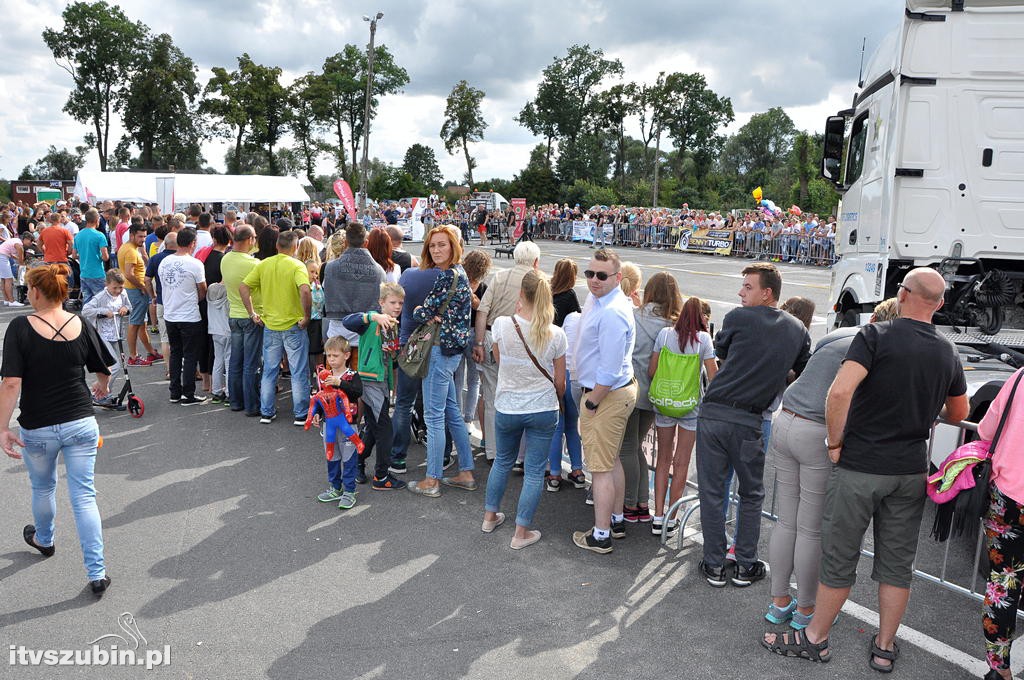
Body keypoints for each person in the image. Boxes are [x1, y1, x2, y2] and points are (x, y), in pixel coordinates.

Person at [763, 268, 969, 671]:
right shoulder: (947, 351)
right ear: (940, 304)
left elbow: (840, 392)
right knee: (896, 564)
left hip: (861, 464)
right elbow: (959, 412)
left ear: (902, 293)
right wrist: (923, 407)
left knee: (839, 555)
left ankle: (816, 637)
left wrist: (835, 444)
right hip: (909, 469)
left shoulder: (875, 336)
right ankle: (885, 646)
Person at [762, 298, 898, 632]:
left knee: (787, 521)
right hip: (816, 431)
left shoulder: (841, 334)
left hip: (786, 420)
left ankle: (779, 603)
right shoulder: (878, 345)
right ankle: (807, 609)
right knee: (810, 528)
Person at [0, 264, 114, 595]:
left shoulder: (21, 327)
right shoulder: (79, 322)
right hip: (80, 421)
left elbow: (11, 383)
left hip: (39, 426)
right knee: (84, 496)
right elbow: (102, 368)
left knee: (43, 488)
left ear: (35, 292)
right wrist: (101, 387)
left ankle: (45, 539)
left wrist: (3, 427)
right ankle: (97, 572)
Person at [697, 263, 811, 588]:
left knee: (713, 491)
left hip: (715, 414)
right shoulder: (797, 330)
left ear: (767, 292)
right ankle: (746, 564)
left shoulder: (736, 317)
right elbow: (802, 371)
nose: (740, 292)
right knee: (750, 493)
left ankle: (715, 564)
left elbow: (723, 357)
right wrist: (775, 375)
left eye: (747, 286)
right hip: (749, 419)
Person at [482, 270, 566, 549]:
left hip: (507, 404)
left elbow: (498, 359)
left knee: (503, 462)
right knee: (533, 471)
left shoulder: (503, 325)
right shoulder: (555, 334)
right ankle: (521, 533)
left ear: (521, 295)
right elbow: (560, 381)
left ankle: (490, 516)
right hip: (542, 407)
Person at [571, 248, 638, 554]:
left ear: (617, 277)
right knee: (610, 461)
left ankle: (601, 534)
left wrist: (591, 401)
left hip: (605, 394)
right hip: (612, 392)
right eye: (589, 274)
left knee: (599, 467)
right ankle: (617, 519)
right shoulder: (602, 300)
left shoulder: (611, 311)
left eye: (601, 275)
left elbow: (609, 370)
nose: (594, 280)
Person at [407, 226, 476, 497]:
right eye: (432, 245)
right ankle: (467, 472)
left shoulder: (447, 275)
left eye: (441, 245)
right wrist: (430, 312)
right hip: (452, 351)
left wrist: (418, 309)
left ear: (453, 247)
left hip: (438, 351)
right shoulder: (460, 273)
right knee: (451, 413)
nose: (436, 250)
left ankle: (432, 480)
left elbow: (424, 311)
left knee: (433, 417)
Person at [473, 241, 541, 463]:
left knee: (491, 394)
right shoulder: (538, 281)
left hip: (494, 335)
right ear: (536, 261)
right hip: (524, 340)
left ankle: (494, 451)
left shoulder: (500, 277)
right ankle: (520, 454)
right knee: (523, 396)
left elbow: (483, 310)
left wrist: (480, 341)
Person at [621, 271, 681, 525]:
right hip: (658, 393)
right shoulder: (674, 325)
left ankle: (629, 503)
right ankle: (643, 504)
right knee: (636, 447)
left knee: (626, 448)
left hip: (631, 387)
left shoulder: (633, 317)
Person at [240, 230, 312, 426]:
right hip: (293, 325)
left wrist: (252, 313)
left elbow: (244, 287)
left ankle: (266, 411)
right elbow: (305, 289)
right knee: (298, 371)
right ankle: (300, 413)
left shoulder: (264, 265)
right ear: (295, 247)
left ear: (277, 246)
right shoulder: (297, 265)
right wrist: (306, 316)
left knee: (269, 370)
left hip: (270, 324)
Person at [340, 282, 407, 491]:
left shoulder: (395, 324)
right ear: (381, 303)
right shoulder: (370, 321)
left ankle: (358, 463)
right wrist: (372, 316)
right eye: (393, 302)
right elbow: (347, 322)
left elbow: (391, 358)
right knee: (385, 430)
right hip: (369, 381)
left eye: (400, 303)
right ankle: (381, 475)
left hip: (382, 382)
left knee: (373, 427)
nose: (397, 306)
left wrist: (392, 383)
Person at [980, 364, 1024, 680]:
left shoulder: (1021, 375)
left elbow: (986, 429)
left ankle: (999, 671)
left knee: (1002, 583)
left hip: (1007, 494)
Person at [322, 224, 386, 372]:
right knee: (361, 383)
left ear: (346, 242)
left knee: (333, 383)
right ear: (366, 243)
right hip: (364, 332)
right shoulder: (378, 271)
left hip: (337, 330)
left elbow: (326, 292)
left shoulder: (330, 267)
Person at [310, 336, 364, 510]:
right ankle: (335, 487)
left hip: (349, 424)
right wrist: (317, 413)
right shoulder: (325, 376)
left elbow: (357, 393)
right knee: (332, 456)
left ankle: (349, 490)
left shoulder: (352, 376)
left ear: (346, 355)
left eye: (335, 356)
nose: (331, 360)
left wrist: (340, 383)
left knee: (349, 458)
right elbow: (320, 398)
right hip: (329, 424)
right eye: (328, 356)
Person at [158, 227, 209, 405]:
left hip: (170, 313)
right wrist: (195, 299)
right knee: (190, 355)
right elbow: (203, 289)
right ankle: (188, 393)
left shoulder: (164, 262)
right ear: (193, 243)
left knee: (175, 353)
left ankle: (174, 392)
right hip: (189, 315)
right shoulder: (195, 264)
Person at [221, 226, 262, 416]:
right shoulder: (254, 264)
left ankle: (236, 401)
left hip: (234, 315)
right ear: (248, 239)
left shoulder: (226, 258)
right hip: (251, 316)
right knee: (251, 364)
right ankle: (252, 405)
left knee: (235, 361)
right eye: (254, 237)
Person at [81, 269, 131, 406]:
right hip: (102, 335)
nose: (118, 290)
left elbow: (128, 306)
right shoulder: (101, 297)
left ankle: (103, 392)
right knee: (114, 367)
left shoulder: (123, 294)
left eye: (121, 287)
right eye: (115, 287)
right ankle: (101, 391)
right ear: (107, 284)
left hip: (116, 333)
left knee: (113, 365)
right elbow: (86, 310)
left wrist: (125, 309)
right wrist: (102, 312)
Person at [453, 250, 490, 433]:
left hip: (459, 332)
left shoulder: (457, 281)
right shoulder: (483, 287)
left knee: (458, 378)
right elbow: (485, 312)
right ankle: (468, 420)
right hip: (476, 333)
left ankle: (457, 418)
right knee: (474, 380)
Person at [118, 223, 160, 367]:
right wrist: (142, 286)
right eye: (140, 236)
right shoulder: (130, 251)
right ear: (132, 235)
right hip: (136, 291)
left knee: (141, 323)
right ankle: (133, 356)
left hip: (134, 290)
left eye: (144, 236)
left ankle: (151, 352)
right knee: (135, 323)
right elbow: (129, 274)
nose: (143, 239)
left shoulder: (128, 247)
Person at [73, 208, 109, 304]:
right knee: (102, 301)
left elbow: (74, 255)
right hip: (97, 273)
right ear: (97, 220)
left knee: (88, 302)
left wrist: (84, 256)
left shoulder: (78, 235)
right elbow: (105, 257)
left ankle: (88, 319)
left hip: (84, 273)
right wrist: (97, 256)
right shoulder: (100, 235)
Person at [206, 282, 231, 404]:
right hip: (227, 330)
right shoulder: (228, 295)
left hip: (214, 331)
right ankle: (229, 393)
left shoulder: (210, 293)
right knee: (228, 361)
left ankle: (216, 392)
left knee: (218, 360)